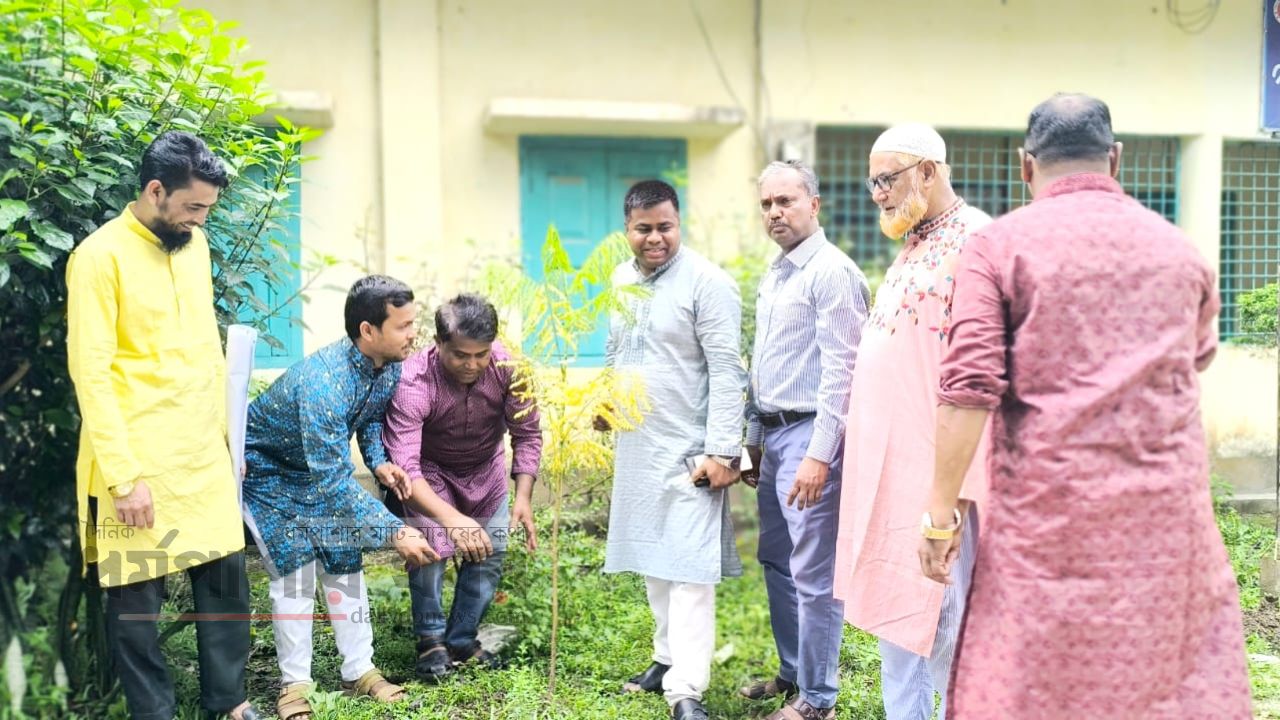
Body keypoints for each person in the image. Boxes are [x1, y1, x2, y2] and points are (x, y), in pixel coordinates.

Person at [919, 93, 1252, 718]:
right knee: (1160, 679)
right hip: (1163, 524)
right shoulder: (1179, 249)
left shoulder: (998, 248)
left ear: (1026, 165)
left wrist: (940, 516)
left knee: (1041, 679)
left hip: (1051, 522)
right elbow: (1198, 355)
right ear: (1115, 159)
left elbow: (969, 388)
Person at [67, 130, 260, 720]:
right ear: (155, 190)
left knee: (227, 586)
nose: (201, 220)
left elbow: (204, 346)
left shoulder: (193, 245)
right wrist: (125, 478)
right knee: (135, 610)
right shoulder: (98, 258)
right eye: (193, 207)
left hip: (200, 452)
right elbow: (92, 374)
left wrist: (230, 441)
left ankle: (227, 704)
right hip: (136, 459)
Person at [831, 123, 992, 720]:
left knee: (948, 625)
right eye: (872, 180)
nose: (876, 192)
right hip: (889, 473)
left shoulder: (978, 241)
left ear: (927, 170)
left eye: (886, 178)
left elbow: (981, 377)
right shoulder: (915, 242)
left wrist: (949, 495)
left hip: (941, 476)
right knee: (896, 621)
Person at [241, 275, 437, 720]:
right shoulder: (324, 383)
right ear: (368, 330)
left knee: (345, 558)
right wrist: (396, 530)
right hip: (269, 473)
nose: (413, 335)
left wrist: (378, 460)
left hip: (317, 471)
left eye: (413, 323)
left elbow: (368, 418)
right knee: (297, 568)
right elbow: (333, 481)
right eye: (403, 326)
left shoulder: (387, 366)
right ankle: (296, 685)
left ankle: (360, 671)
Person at [595, 180, 746, 720]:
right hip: (640, 444)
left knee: (688, 569)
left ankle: (686, 689)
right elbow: (617, 348)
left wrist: (724, 451)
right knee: (653, 562)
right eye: (644, 229)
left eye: (665, 227)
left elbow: (728, 371)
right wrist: (605, 403)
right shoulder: (619, 279)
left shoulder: (709, 283)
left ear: (679, 224)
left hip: (691, 449)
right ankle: (665, 658)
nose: (654, 238)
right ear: (627, 230)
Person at [740, 160, 869, 720]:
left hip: (811, 436)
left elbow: (845, 371)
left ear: (813, 205)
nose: (776, 212)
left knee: (814, 574)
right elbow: (762, 366)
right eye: (768, 203)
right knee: (777, 560)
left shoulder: (831, 273)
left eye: (787, 201)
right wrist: (751, 438)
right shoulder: (778, 273)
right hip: (773, 436)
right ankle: (793, 675)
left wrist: (820, 455)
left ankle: (818, 700)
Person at [381, 292, 541, 681]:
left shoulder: (510, 368)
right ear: (438, 344)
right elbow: (406, 468)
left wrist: (522, 496)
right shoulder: (413, 380)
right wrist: (453, 521)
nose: (472, 365)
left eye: (481, 354)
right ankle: (431, 641)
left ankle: (462, 639)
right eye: (460, 355)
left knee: (490, 553)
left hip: (486, 471)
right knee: (430, 548)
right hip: (428, 475)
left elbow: (528, 433)